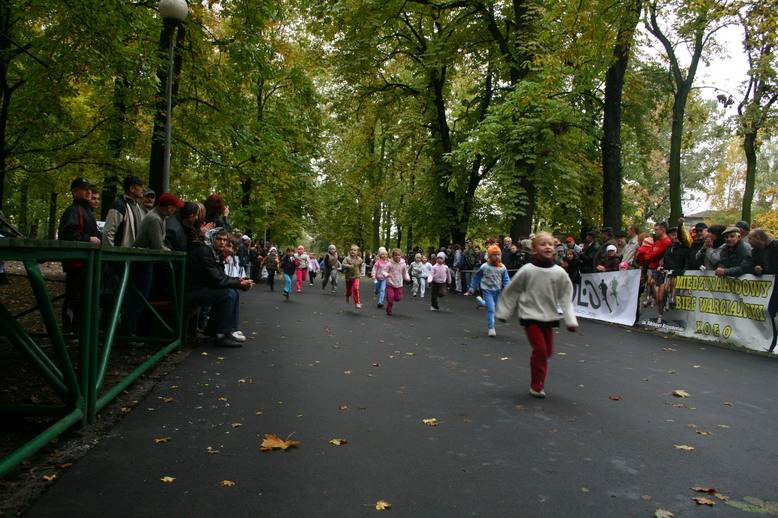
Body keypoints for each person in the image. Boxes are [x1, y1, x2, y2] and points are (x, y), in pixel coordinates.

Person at [496, 232, 578, 399]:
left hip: (549, 317)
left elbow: (565, 296)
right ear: (534, 249)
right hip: (530, 315)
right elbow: (512, 290)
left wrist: (570, 320)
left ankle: (538, 370)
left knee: (547, 352)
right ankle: (536, 385)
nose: (547, 247)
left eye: (550, 244)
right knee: (541, 350)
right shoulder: (527, 270)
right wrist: (504, 312)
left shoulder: (559, 272)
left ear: (554, 249)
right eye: (542, 244)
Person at [185, 228, 253, 347]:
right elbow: (216, 279)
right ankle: (221, 335)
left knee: (233, 292)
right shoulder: (205, 252)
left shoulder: (214, 253)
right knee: (228, 294)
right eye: (219, 239)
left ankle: (221, 331)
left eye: (224, 240)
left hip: (201, 288)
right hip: (191, 292)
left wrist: (238, 281)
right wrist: (238, 284)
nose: (222, 242)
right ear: (212, 239)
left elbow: (220, 276)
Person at [58, 177, 102, 333]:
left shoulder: (87, 211)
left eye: (90, 189)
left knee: (84, 298)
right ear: (75, 192)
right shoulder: (73, 211)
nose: (89, 192)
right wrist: (88, 239)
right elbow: (67, 234)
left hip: (87, 263)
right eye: (85, 189)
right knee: (74, 298)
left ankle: (80, 330)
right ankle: (70, 331)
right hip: (77, 264)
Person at [468, 245, 511, 337]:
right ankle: (491, 328)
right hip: (487, 290)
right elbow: (477, 277)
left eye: (499, 255)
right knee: (491, 309)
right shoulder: (484, 267)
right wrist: (472, 287)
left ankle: (481, 302)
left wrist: (508, 288)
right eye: (494, 255)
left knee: (494, 307)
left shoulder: (502, 267)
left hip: (497, 290)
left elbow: (506, 279)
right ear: (490, 256)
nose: (497, 257)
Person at [748, 229, 778, 352]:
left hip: (775, 286)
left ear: (759, 238)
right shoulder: (759, 250)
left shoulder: (775, 247)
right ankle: (772, 343)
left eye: (751, 239)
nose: (749, 242)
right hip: (772, 287)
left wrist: (764, 270)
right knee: (770, 313)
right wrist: (758, 269)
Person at [102, 175, 146, 247]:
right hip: (120, 256)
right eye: (140, 186)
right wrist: (111, 254)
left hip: (133, 255)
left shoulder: (138, 207)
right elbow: (108, 233)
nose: (143, 189)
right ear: (132, 189)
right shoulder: (119, 205)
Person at [384, 248, 410, 316]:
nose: (397, 256)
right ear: (392, 256)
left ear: (401, 256)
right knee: (390, 299)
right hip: (390, 283)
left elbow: (405, 273)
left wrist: (407, 278)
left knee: (398, 298)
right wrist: (387, 274)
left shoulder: (403, 264)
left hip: (399, 284)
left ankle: (392, 299)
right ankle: (389, 309)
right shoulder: (389, 264)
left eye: (399, 255)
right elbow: (384, 271)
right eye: (395, 255)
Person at [341, 244, 364, 309]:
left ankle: (357, 302)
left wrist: (361, 272)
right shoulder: (347, 258)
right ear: (349, 251)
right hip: (348, 277)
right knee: (349, 290)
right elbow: (343, 264)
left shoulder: (359, 259)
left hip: (356, 277)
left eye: (355, 250)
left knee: (356, 289)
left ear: (357, 252)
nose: (352, 251)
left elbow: (361, 266)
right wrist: (349, 266)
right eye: (351, 250)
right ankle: (347, 296)